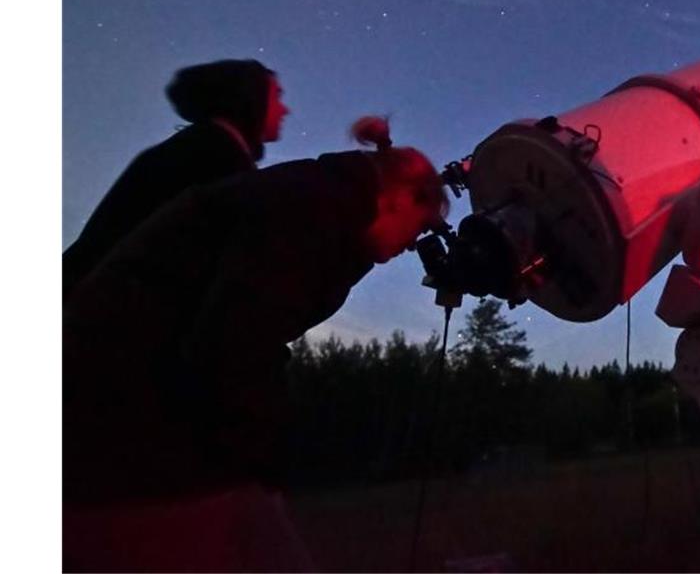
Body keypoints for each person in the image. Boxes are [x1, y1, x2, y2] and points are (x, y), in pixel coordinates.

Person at [62, 118, 441, 572]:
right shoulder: (314, 210)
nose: (414, 243)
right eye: (419, 226)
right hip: (116, 421)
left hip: (122, 408)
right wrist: (257, 465)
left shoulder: (321, 201)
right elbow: (236, 342)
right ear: (399, 195)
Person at [62, 58, 289, 297]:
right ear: (251, 98)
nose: (285, 109)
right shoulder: (216, 160)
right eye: (277, 96)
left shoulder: (193, 148)